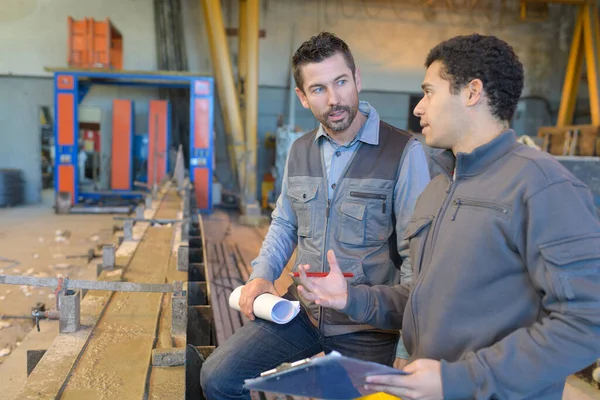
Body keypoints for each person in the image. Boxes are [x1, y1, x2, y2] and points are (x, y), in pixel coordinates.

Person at [296, 33, 600, 400]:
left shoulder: (543, 186)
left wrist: (459, 379)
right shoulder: (439, 190)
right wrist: (350, 299)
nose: (418, 108)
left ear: (472, 92)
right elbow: (422, 299)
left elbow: (587, 322)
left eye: (429, 92)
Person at [200, 32, 431, 399]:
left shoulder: (404, 152)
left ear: (357, 79)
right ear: (303, 97)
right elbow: (285, 223)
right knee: (219, 377)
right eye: (319, 88)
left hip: (368, 327)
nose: (335, 99)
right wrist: (262, 276)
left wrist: (406, 348)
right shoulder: (300, 150)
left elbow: (417, 260)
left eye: (341, 82)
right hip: (304, 313)